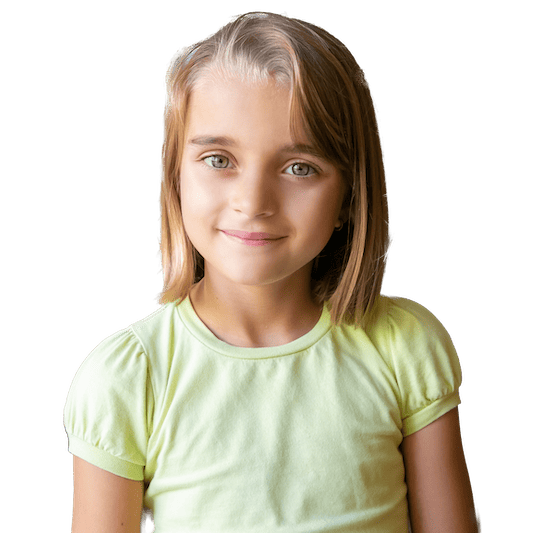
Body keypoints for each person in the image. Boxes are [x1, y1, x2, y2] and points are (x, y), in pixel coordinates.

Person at [62, 10, 480, 533]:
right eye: (219, 159)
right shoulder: (128, 378)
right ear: (175, 177)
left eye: (298, 168)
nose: (253, 202)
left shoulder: (403, 346)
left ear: (350, 195)